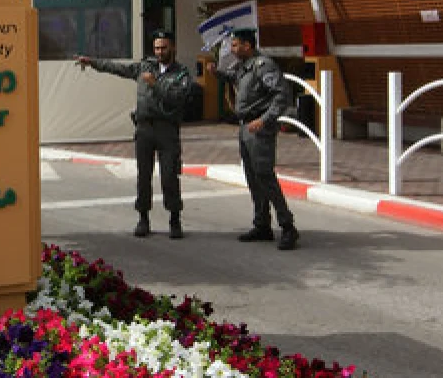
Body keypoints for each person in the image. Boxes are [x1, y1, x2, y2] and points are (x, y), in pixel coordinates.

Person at [75, 30, 192, 239]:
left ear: (172, 47)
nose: (160, 52)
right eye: (156, 48)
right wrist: (92, 62)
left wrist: (156, 84)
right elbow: (119, 68)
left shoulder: (181, 73)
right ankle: (143, 218)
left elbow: (177, 99)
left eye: (164, 47)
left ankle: (175, 219)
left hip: (167, 130)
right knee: (143, 176)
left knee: (169, 177)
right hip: (144, 128)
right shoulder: (145, 67)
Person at [207, 28, 300, 250]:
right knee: (253, 178)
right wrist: (216, 72)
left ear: (248, 46)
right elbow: (234, 77)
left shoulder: (263, 65)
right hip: (246, 127)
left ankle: (288, 226)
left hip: (260, 129)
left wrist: (265, 119)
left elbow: (282, 95)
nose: (232, 49)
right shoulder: (243, 66)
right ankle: (262, 225)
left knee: (265, 176)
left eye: (236, 45)